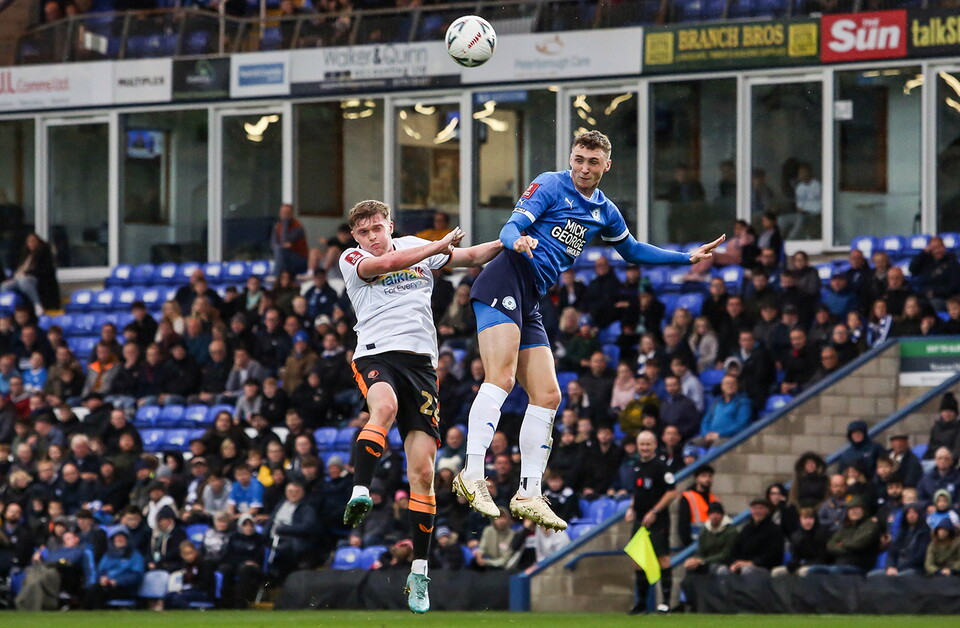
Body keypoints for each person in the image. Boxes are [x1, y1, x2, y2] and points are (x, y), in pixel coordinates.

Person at [454, 130, 723, 532]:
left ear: (606, 166)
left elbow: (631, 250)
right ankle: (472, 473)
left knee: (548, 394)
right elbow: (510, 228)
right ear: (571, 158)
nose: (583, 167)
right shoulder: (550, 183)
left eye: (592, 162)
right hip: (505, 280)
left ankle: (528, 491)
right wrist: (520, 241)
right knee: (502, 378)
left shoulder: (605, 211)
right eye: (579, 159)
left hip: (531, 298)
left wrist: (686, 257)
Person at [336, 199, 501, 614]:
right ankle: (360, 490)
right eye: (364, 231)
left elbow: (472, 255)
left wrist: (511, 239)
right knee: (384, 407)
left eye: (378, 228)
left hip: (422, 366)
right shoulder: (352, 258)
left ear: (389, 225)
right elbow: (383, 267)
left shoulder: (414, 246)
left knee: (424, 471)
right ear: (355, 236)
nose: (373, 237)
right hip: (376, 354)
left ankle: (419, 571)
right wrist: (436, 246)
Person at [623, 430, 677, 615]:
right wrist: (631, 508)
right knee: (638, 559)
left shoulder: (661, 466)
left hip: (658, 520)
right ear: (638, 446)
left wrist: (654, 511)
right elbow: (637, 492)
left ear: (654, 445)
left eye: (648, 444)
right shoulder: (638, 464)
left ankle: (666, 603)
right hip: (640, 519)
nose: (645, 448)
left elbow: (672, 492)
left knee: (662, 558)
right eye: (642, 445)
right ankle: (642, 604)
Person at [1, 233, 58, 316]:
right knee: (5, 286)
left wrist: (27, 273)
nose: (31, 243)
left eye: (33, 241)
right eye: (29, 242)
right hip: (19, 278)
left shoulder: (44, 255)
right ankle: (8, 309)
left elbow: (44, 271)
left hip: (37, 279)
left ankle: (37, 304)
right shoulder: (25, 255)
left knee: (24, 282)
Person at [677, 465, 720, 547]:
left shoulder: (714, 499)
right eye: (703, 476)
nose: (707, 479)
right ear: (696, 478)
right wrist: (688, 545)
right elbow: (683, 525)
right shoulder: (688, 497)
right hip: (694, 543)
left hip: (712, 544)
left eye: (710, 476)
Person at [271, 203, 308, 275]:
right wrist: (279, 247)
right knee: (279, 251)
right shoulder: (277, 226)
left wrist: (285, 222)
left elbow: (284, 241)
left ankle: (276, 276)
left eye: (287, 213)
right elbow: (273, 244)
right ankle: (279, 277)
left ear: (291, 214)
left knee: (281, 251)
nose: (284, 215)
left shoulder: (298, 227)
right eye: (282, 213)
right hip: (284, 258)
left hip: (300, 259)